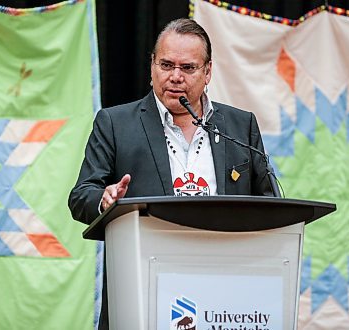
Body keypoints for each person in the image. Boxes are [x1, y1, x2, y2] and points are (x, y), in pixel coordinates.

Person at [68, 18, 275, 329]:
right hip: (143, 294)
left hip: (226, 297)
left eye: (188, 68)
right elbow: (80, 196)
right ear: (152, 66)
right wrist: (105, 199)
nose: (175, 77)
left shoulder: (239, 126)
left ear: (208, 72)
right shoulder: (115, 123)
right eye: (166, 65)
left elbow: (269, 204)